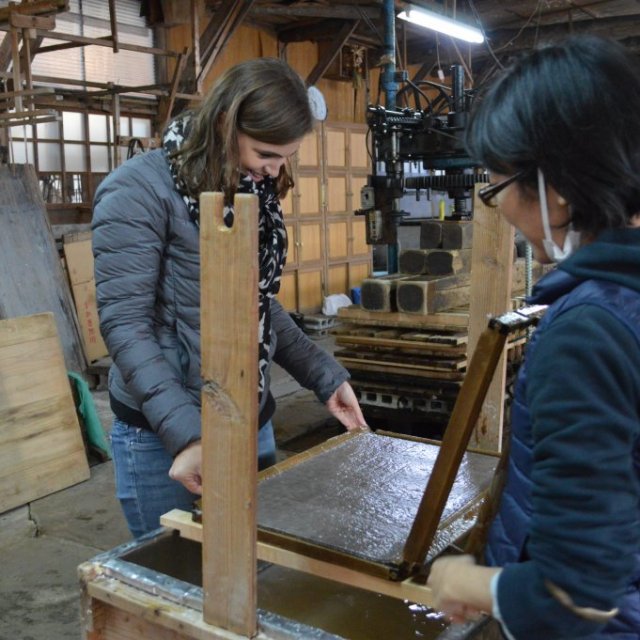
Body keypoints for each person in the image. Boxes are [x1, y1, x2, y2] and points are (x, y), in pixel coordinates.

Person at [92, 57, 367, 539]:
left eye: (284, 157)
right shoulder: (137, 191)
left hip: (245, 413)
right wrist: (187, 435)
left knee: (250, 573)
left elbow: (255, 303)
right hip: (164, 432)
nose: (274, 170)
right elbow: (125, 324)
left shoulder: (246, 189)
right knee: (176, 583)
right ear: (224, 124)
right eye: (265, 152)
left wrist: (324, 377)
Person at [427, 35, 640, 639]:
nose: (500, 211)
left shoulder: (589, 332)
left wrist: (472, 583)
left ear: (557, 186)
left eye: (496, 188)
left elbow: (575, 594)